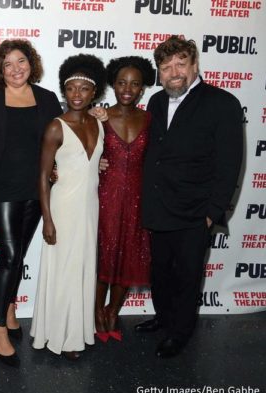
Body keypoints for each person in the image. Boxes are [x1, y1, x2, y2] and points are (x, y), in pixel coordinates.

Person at [137, 36, 243, 358]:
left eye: (181, 64)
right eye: (166, 67)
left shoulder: (222, 103)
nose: (174, 72)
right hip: (158, 206)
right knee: (160, 271)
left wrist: (212, 212)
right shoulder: (155, 102)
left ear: (195, 64)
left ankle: (180, 332)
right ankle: (163, 317)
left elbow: (229, 164)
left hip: (194, 211)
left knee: (186, 275)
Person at [0, 39, 62, 367]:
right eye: (8, 63)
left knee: (18, 252)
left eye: (21, 61)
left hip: (37, 186)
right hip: (2, 185)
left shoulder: (47, 99)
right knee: (9, 255)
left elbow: (61, 139)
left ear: (31, 64)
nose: (16, 68)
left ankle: (7, 306)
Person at [31, 54, 107, 360]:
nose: (77, 94)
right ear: (65, 92)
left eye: (84, 89)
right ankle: (59, 335)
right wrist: (47, 220)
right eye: (71, 88)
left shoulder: (101, 124)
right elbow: (42, 176)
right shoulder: (55, 127)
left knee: (82, 269)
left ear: (94, 94)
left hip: (89, 208)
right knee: (63, 270)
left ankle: (77, 330)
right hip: (62, 208)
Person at [95, 56, 155, 343]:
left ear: (142, 88)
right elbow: (80, 152)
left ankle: (113, 311)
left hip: (137, 199)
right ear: (113, 85)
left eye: (134, 84)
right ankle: (96, 313)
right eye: (121, 83)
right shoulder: (99, 117)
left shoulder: (149, 119)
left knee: (127, 258)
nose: (127, 89)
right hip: (104, 197)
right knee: (103, 258)